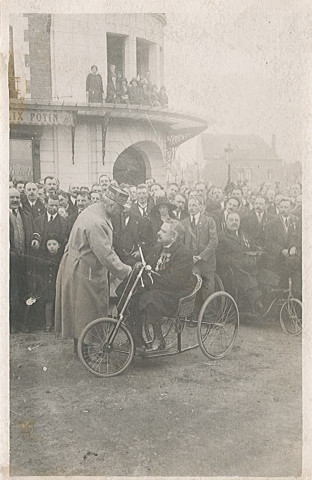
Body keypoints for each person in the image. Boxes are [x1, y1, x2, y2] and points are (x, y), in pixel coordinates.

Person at [55, 185, 132, 353]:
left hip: (75, 264)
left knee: (77, 310)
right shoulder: (98, 222)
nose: (121, 212)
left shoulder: (93, 210)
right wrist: (126, 270)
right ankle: (85, 351)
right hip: (84, 269)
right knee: (87, 310)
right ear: (111, 205)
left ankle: (79, 347)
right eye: (120, 208)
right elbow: (106, 254)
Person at [125, 219, 196, 353]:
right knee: (132, 294)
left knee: (151, 298)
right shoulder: (158, 247)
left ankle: (159, 339)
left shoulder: (184, 253)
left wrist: (152, 279)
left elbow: (176, 282)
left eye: (163, 231)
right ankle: (136, 339)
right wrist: (140, 263)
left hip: (176, 294)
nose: (158, 233)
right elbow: (148, 262)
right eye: (160, 229)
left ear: (174, 236)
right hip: (159, 288)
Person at [217, 212, 263, 311]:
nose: (234, 223)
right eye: (231, 220)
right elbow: (219, 256)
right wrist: (233, 261)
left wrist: (260, 251)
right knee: (245, 275)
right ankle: (257, 301)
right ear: (226, 222)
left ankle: (269, 300)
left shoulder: (244, 235)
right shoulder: (221, 236)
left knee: (266, 274)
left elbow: (253, 247)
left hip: (249, 266)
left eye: (236, 220)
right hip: (230, 270)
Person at [9, 188, 40, 332]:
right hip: (9, 263)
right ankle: (12, 324)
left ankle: (25, 323)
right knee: (11, 293)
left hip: (25, 262)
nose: (15, 200)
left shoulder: (26, 215)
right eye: (11, 198)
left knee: (25, 292)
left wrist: (35, 239)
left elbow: (35, 231)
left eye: (17, 197)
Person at [182, 196, 218, 303]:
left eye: (194, 205)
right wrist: (189, 257)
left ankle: (209, 318)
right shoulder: (184, 223)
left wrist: (200, 256)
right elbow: (181, 243)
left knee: (208, 292)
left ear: (201, 207)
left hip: (206, 264)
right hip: (190, 263)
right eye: (189, 205)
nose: (191, 208)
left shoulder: (209, 221)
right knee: (190, 293)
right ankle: (193, 317)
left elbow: (213, 242)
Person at [265, 198, 301, 292]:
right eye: (281, 207)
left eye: (286, 207)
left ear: (291, 208)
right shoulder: (271, 223)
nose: (283, 209)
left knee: (297, 274)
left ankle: (295, 298)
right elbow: (269, 242)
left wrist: (294, 246)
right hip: (278, 258)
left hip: (293, 257)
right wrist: (281, 250)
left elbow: (299, 237)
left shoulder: (297, 221)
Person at [36, 234, 63, 332]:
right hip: (48, 285)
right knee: (49, 303)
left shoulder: (62, 257)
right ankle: (48, 324)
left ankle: (59, 324)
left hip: (59, 283)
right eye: (49, 244)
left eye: (54, 244)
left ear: (59, 245)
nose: (51, 246)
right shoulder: (44, 258)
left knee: (60, 303)